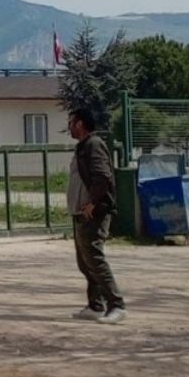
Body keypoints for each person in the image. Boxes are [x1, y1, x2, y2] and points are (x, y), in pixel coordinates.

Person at [66, 109, 125, 323]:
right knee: (85, 262)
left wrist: (92, 202)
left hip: (94, 212)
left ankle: (116, 305)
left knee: (95, 259)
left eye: (71, 122)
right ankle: (95, 305)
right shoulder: (82, 147)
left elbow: (103, 177)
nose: (69, 127)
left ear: (81, 123)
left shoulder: (94, 145)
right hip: (80, 212)